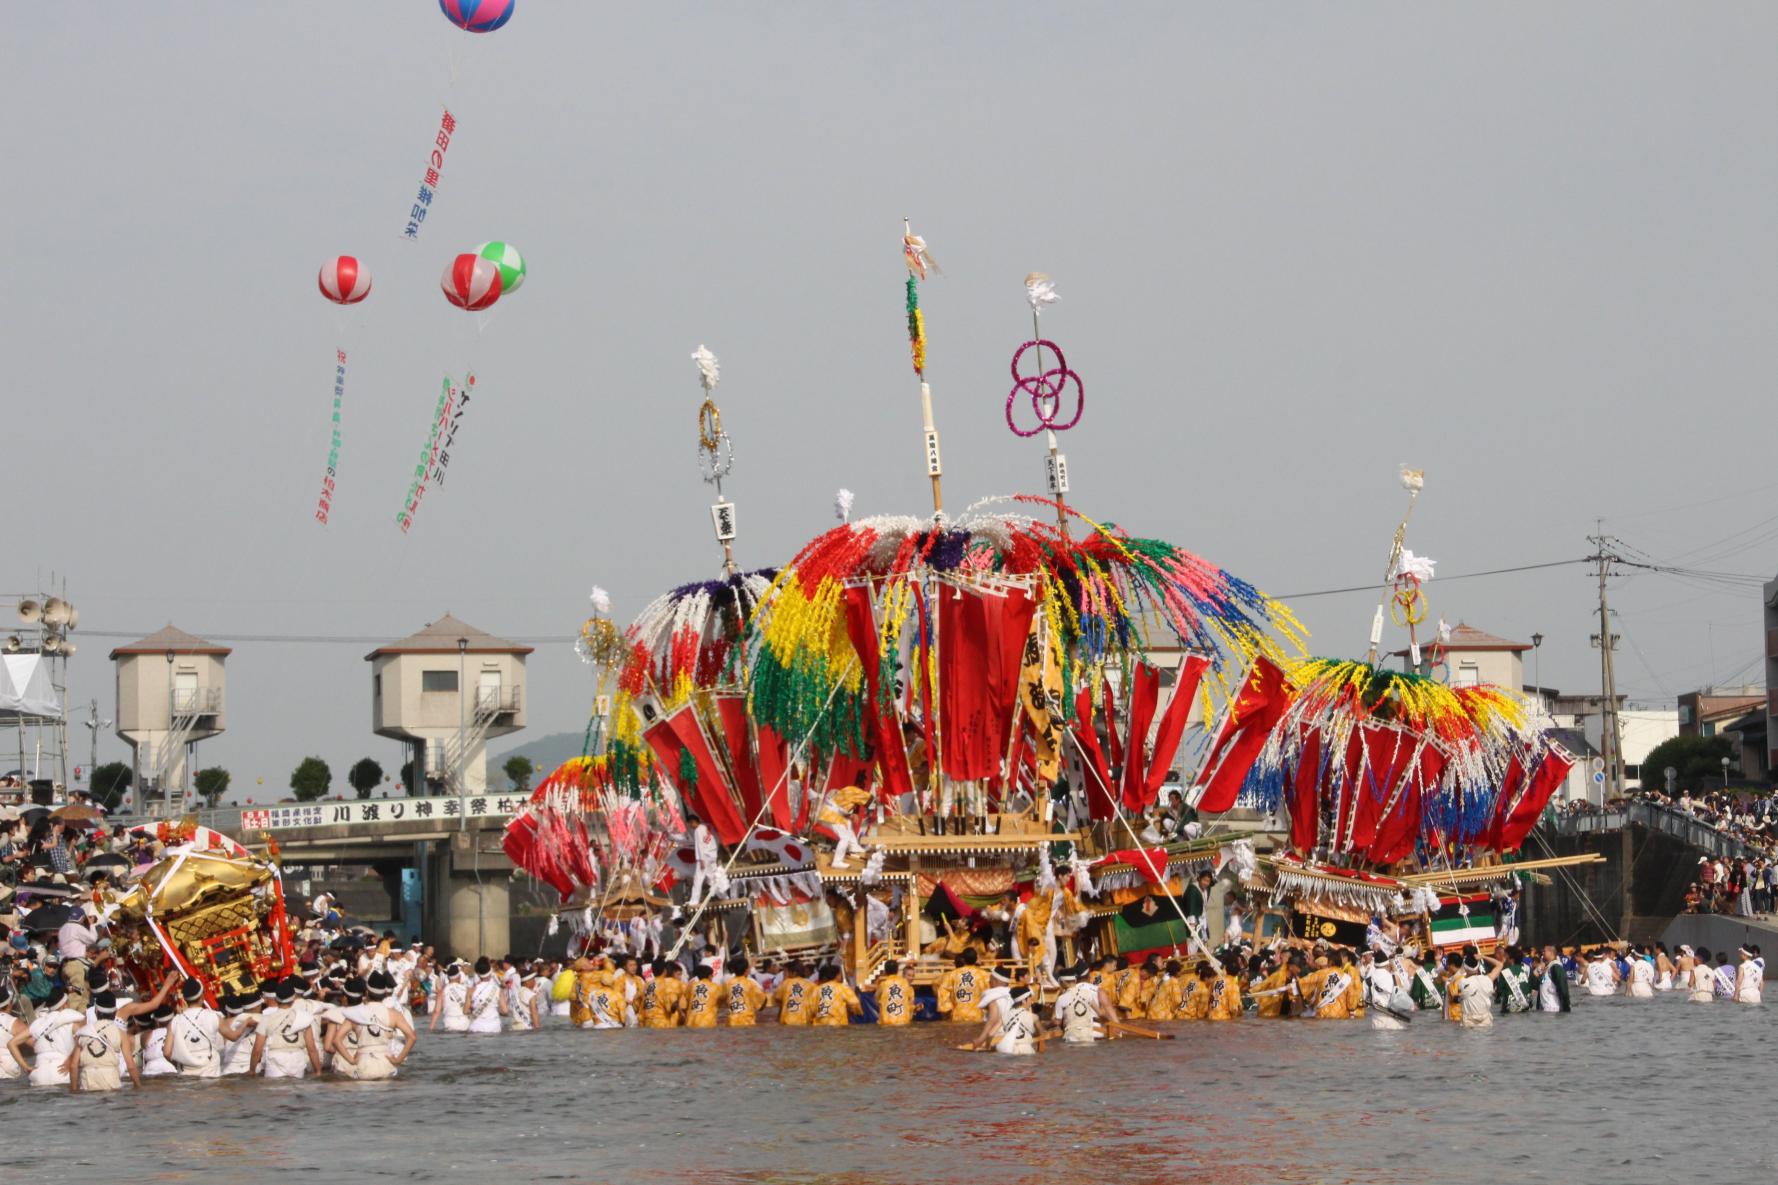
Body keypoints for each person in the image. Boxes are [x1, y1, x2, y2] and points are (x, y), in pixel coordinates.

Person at [335, 972, 416, 1080]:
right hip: (386, 1063)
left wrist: (351, 1060)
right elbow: (412, 1037)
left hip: (363, 1064)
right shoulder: (394, 1014)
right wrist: (398, 1060)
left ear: (367, 993)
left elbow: (336, 1040)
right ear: (384, 994)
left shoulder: (354, 1013)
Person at [67, 991, 139, 1093]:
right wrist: (138, 1087)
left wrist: (73, 1090)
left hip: (87, 1082)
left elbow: (73, 1066)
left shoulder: (83, 1032)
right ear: (114, 1013)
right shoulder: (121, 1033)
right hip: (111, 1082)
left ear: (96, 1011)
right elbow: (131, 1066)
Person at [252, 980, 322, 1079]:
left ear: (276, 999)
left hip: (275, 1058)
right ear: (294, 999)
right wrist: (318, 1071)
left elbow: (257, 1050)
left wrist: (251, 1071)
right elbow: (312, 1049)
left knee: (276, 1092)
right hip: (297, 1059)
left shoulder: (266, 1018)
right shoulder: (303, 1017)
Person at [15, 985, 83, 1086]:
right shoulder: (73, 1022)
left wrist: (25, 1066)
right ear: (65, 1005)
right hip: (62, 1074)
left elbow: (11, 1043)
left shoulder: (38, 1023)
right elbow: (84, 1041)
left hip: (39, 1075)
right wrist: (71, 1059)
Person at [168, 977, 225, 1078]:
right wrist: (245, 1022)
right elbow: (233, 1036)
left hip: (186, 1074)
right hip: (210, 1073)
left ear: (184, 999)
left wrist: (179, 1062)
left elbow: (167, 1052)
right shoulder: (214, 1016)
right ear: (202, 996)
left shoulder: (175, 1020)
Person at [1054, 966, 1111, 1043]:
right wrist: (1110, 1022)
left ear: (1063, 982)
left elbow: (1057, 1022)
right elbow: (1100, 1014)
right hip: (1088, 1035)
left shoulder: (1061, 999)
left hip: (1071, 1036)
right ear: (1075, 980)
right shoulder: (1087, 994)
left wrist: (1046, 1025)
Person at [935, 949, 989, 1024]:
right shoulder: (984, 975)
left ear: (963, 959)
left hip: (958, 1014)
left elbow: (943, 990)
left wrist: (947, 1008)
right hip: (977, 1015)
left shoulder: (953, 974)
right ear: (976, 959)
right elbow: (990, 992)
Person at [1455, 952, 1505, 1029]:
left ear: (1465, 967)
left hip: (1468, 1022)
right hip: (1486, 1021)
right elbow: (1500, 965)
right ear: (1478, 967)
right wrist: (1483, 956)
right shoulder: (1488, 979)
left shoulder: (1461, 982)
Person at [466, 958, 508, 1033]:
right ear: (490, 971)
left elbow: (466, 1011)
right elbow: (505, 1011)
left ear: (477, 973)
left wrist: (474, 1009)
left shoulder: (470, 990)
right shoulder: (498, 990)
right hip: (494, 1027)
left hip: (476, 1026)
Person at [724, 955, 768, 1025]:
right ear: (746, 970)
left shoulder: (728, 983)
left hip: (732, 1022)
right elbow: (762, 1002)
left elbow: (722, 1000)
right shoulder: (751, 983)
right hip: (748, 1021)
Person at [642, 961, 686, 1028]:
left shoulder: (648, 984)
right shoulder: (668, 983)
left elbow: (637, 1000)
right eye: (678, 974)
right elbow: (673, 1003)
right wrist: (680, 1012)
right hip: (661, 1022)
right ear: (665, 970)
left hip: (647, 1021)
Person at [430, 962, 470, 1032]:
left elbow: (436, 1011)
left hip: (449, 1023)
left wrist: (431, 1027)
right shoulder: (467, 990)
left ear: (448, 978)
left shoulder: (442, 991)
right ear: (459, 977)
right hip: (465, 1022)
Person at [874, 960, 914, 1026]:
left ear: (885, 971)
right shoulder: (905, 983)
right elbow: (911, 1001)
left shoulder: (883, 984)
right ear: (897, 971)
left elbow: (876, 998)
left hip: (887, 1022)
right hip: (903, 1021)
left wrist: (881, 1005)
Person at [1495, 947, 1534, 1014]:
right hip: (1526, 1007)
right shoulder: (1527, 970)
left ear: (1511, 958)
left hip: (1509, 1010)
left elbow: (1499, 991)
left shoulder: (1505, 972)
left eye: (1505, 955)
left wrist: (1496, 997)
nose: (1503, 958)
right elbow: (1532, 987)